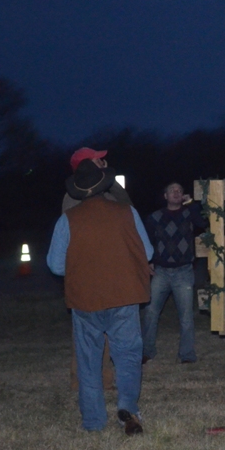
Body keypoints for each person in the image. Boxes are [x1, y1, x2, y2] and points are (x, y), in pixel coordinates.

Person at [47, 159, 154, 435]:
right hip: (124, 294)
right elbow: (149, 252)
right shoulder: (127, 213)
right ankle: (128, 409)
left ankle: (94, 422)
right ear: (104, 183)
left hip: (86, 299)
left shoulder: (67, 220)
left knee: (89, 360)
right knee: (128, 356)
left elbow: (56, 266)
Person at [61, 147, 128, 390]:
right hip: (88, 273)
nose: (104, 161)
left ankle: (105, 379)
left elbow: (127, 208)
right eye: (98, 160)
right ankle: (81, 380)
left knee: (109, 329)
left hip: (110, 270)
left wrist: (110, 181)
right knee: (87, 332)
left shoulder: (108, 189)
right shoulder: (75, 197)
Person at [141, 182, 207, 364]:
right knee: (151, 312)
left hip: (184, 271)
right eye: (172, 190)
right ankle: (146, 351)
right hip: (160, 272)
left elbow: (203, 222)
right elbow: (145, 241)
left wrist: (192, 203)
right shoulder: (154, 217)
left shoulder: (189, 213)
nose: (176, 193)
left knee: (186, 316)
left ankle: (186, 354)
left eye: (179, 190)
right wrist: (148, 262)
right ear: (165, 196)